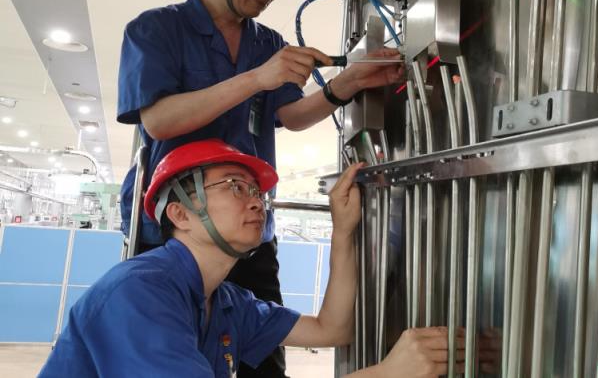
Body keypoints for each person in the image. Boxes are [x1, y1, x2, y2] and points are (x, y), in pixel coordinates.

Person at [116, 0, 403, 377]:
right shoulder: (155, 30)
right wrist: (257, 77)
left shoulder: (265, 40)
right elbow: (159, 119)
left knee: (262, 362)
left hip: (248, 235)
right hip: (177, 232)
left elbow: (289, 117)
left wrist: (347, 84)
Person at [39, 140, 462, 377]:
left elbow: (332, 328)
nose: (257, 202)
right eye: (235, 187)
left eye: (258, 192)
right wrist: (388, 374)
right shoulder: (138, 293)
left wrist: (344, 231)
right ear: (180, 213)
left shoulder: (227, 302)